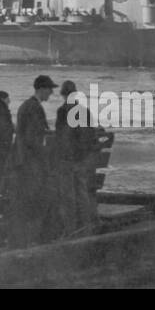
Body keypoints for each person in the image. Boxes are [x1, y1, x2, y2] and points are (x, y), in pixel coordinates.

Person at [7, 75, 57, 247]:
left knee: (25, 199)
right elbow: (32, 138)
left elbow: (27, 134)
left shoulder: (26, 105)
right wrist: (46, 153)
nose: (51, 93)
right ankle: (32, 239)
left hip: (20, 159)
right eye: (50, 89)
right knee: (35, 198)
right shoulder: (35, 107)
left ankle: (23, 238)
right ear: (42, 89)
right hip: (30, 162)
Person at [55, 80, 98, 234]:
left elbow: (60, 136)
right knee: (81, 191)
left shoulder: (63, 110)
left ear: (63, 94)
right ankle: (85, 225)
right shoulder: (84, 110)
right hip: (82, 158)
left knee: (68, 194)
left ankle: (70, 228)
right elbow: (91, 134)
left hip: (67, 159)